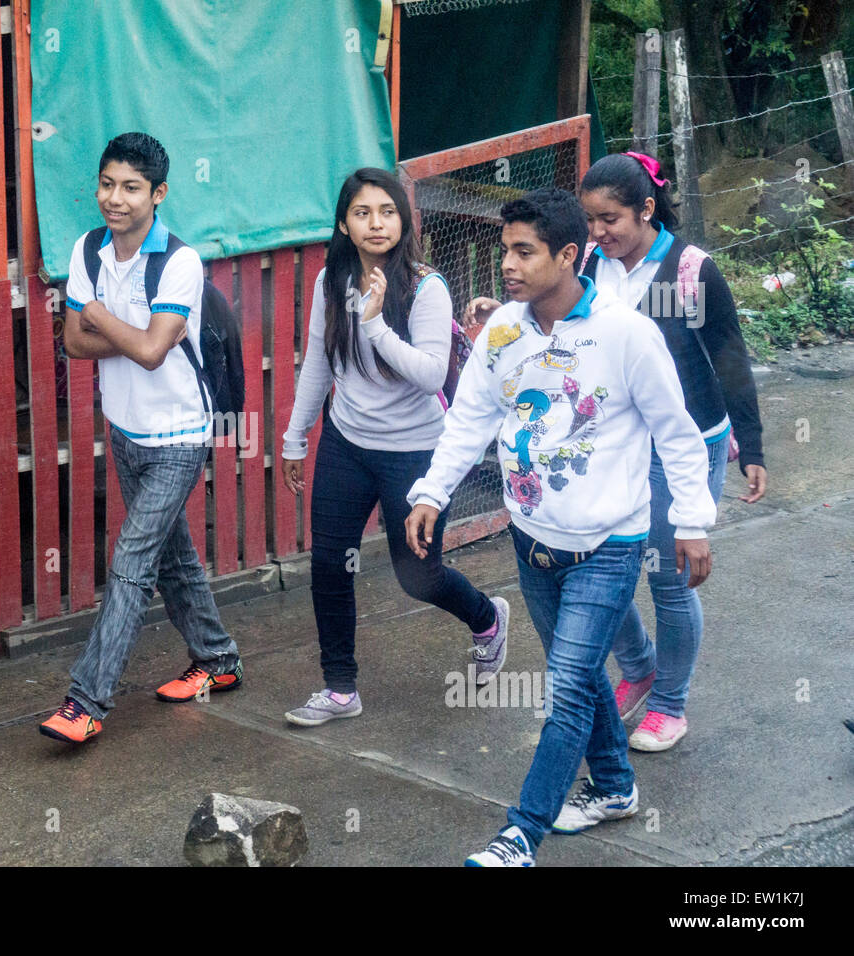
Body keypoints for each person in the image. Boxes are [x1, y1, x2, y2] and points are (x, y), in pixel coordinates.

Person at [407, 188, 717, 865]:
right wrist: (431, 491)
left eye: (525, 252)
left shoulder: (626, 333)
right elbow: (469, 420)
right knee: (577, 674)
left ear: (569, 255)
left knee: (567, 689)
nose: (509, 266)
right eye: (505, 251)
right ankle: (613, 787)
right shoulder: (503, 331)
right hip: (532, 540)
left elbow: (678, 431)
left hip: (610, 544)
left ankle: (520, 834)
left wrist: (692, 519)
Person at [466, 151, 767, 752]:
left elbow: (728, 356)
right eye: (589, 219)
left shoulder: (689, 270)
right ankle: (640, 666)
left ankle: (669, 704)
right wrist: (506, 318)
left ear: (647, 210)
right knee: (600, 567)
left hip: (685, 440)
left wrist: (751, 444)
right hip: (607, 439)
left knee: (671, 578)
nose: (597, 231)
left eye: (609, 219)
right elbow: (565, 327)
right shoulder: (592, 265)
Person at [279, 168, 509, 727]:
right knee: (330, 563)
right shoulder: (330, 283)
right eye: (362, 213)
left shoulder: (427, 287)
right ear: (344, 224)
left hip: (416, 453)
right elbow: (319, 361)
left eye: (387, 211)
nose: (376, 222)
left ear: (403, 220)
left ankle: (487, 619)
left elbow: (432, 376)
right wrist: (293, 436)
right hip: (346, 441)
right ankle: (339, 689)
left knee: (417, 576)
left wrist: (377, 325)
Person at [40, 132, 241, 744]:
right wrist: (126, 331)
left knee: (131, 563)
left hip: (179, 434)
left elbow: (153, 352)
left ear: (158, 194)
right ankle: (218, 660)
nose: (115, 199)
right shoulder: (87, 250)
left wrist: (101, 316)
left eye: (131, 188)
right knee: (173, 556)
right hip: (124, 429)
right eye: (107, 184)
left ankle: (85, 702)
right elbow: (73, 345)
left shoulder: (179, 261)